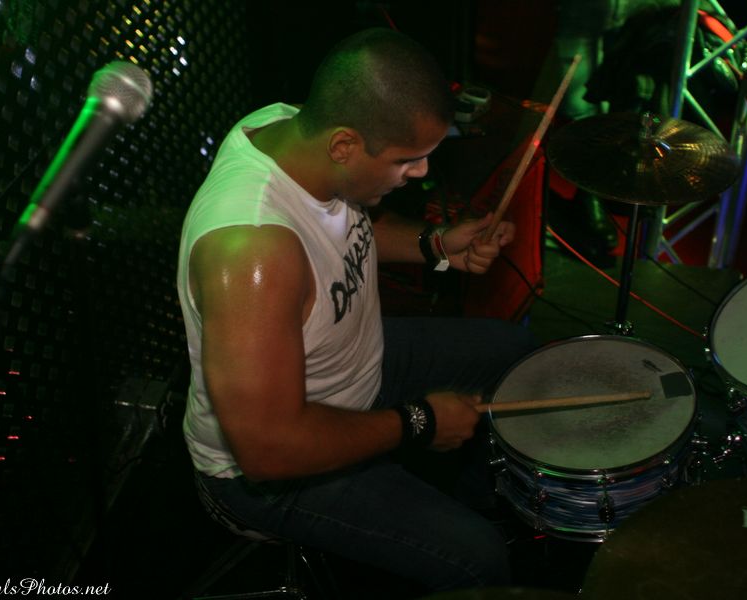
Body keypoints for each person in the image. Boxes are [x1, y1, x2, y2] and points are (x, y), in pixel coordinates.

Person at [176, 27, 537, 592]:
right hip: (268, 473)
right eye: (407, 160)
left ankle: (475, 498)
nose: (421, 173)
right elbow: (268, 449)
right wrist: (419, 421)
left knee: (516, 355)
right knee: (480, 561)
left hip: (357, 361)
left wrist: (437, 245)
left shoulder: (285, 127)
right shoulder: (253, 254)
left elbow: (342, 226)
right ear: (344, 145)